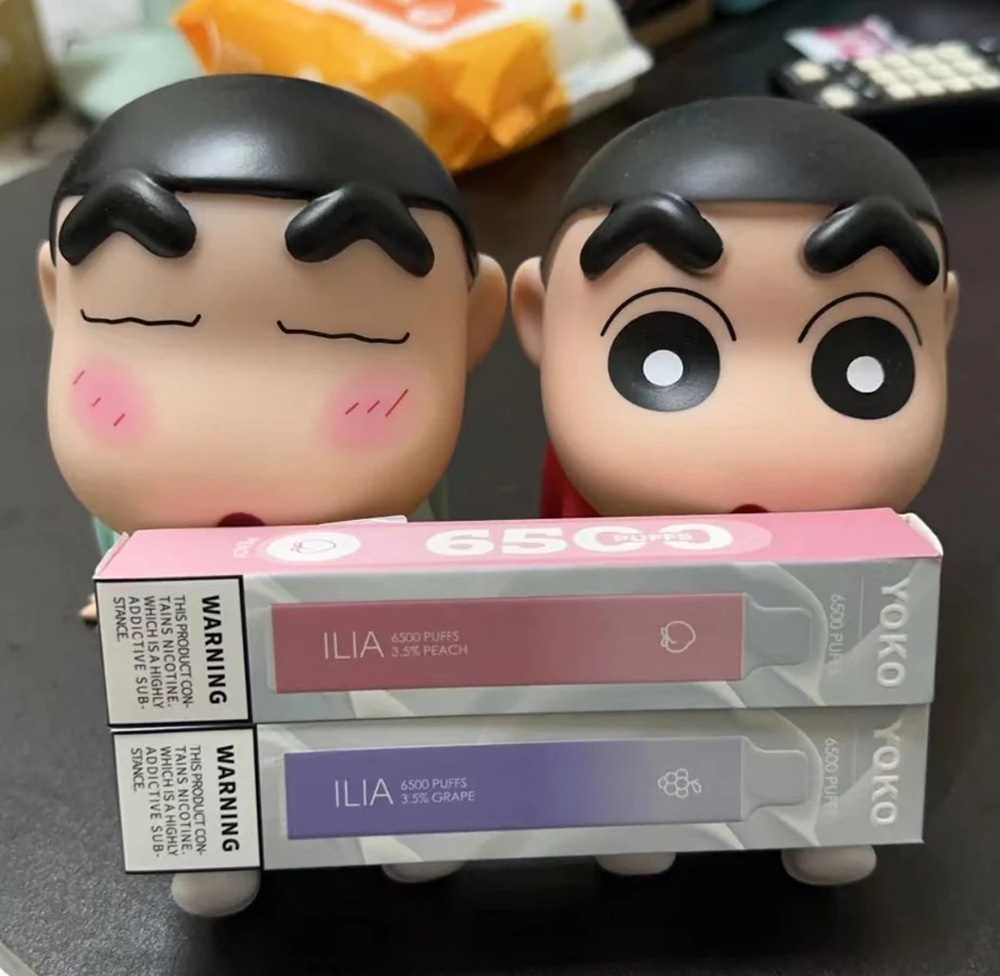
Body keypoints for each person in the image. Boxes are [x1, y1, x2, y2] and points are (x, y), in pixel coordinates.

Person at [39, 73, 506, 915]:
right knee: (191, 726)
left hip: (363, 632)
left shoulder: (404, 513)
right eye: (149, 329)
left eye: (345, 336)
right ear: (57, 300)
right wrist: (120, 588)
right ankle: (216, 846)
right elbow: (116, 534)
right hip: (187, 643)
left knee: (384, 705)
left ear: (470, 327)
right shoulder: (136, 513)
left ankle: (410, 822)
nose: (235, 422)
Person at [512, 96, 956, 885]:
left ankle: (823, 818)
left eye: (863, 361)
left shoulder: (873, 550)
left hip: (820, 642)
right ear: (540, 319)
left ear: (941, 326)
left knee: (830, 688)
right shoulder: (580, 505)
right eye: (664, 355)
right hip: (645, 653)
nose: (763, 430)